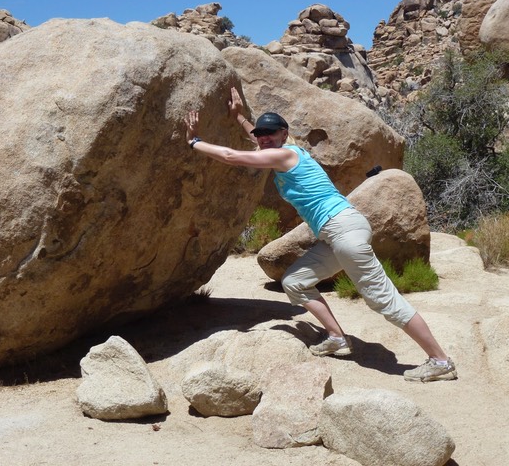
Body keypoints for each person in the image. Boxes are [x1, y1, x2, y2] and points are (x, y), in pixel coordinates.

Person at [184, 87, 457, 382]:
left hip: (343, 229)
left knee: (384, 300)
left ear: (284, 134)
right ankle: (337, 338)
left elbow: (230, 156)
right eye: (261, 133)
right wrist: (239, 117)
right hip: (337, 232)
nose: (263, 137)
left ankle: (440, 361)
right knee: (295, 282)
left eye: (270, 133)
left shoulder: (285, 155)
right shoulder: (290, 150)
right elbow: (258, 140)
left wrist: (194, 141)